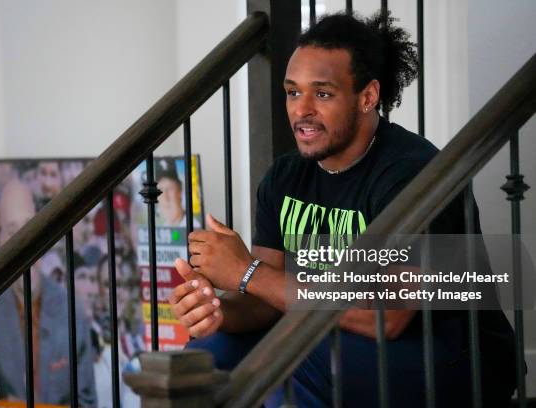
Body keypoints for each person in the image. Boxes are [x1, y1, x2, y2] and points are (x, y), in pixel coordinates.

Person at [169, 12, 517, 408]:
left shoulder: (414, 175)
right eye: (292, 92)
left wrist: (245, 272)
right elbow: (267, 300)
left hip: (452, 354)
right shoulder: (285, 178)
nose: (301, 110)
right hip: (346, 344)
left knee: (296, 356)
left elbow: (384, 316)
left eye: (322, 93)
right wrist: (217, 310)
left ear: (367, 97)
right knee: (205, 356)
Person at [0, 179, 97, 406]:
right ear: (0, 240)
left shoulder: (70, 309)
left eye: (29, 225)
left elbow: (87, 401)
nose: (22, 240)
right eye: (12, 230)